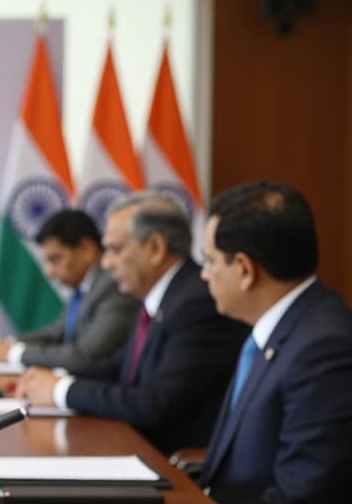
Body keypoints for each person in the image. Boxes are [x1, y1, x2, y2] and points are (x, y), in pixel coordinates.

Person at [197, 181, 352, 504]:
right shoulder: (285, 328)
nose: (204, 274)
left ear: (245, 269)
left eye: (211, 261)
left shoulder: (326, 349)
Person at [15, 192, 247, 454]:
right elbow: (119, 367)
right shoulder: (158, 294)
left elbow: (155, 403)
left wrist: (62, 391)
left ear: (156, 248)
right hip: (134, 448)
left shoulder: (197, 303)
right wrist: (54, 379)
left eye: (115, 249)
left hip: (171, 466)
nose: (106, 263)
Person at [0, 209, 138, 373]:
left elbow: (84, 356)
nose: (48, 272)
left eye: (55, 259)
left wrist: (12, 353)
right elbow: (55, 333)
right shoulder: (85, 286)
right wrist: (2, 343)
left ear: (86, 249)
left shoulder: (115, 285)